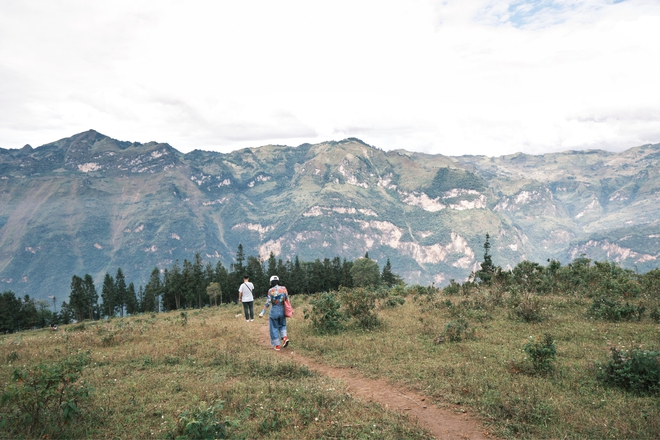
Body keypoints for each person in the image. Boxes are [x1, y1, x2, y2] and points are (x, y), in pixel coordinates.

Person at [258, 275, 290, 351]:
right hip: (282, 309)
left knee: (274, 327)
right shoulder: (284, 288)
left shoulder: (270, 290)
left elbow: (268, 302)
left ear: (271, 282)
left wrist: (263, 312)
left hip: (274, 310)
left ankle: (277, 345)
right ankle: (285, 338)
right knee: (283, 325)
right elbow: (287, 300)